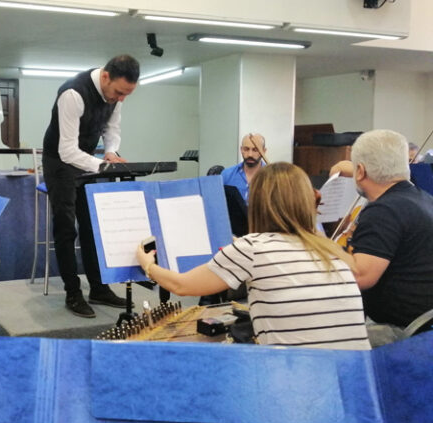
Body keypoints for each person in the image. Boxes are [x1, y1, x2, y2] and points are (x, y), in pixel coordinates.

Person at [136, 162, 370, 350]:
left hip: (299, 380)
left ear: (259, 202)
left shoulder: (252, 249)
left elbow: (182, 285)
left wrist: (148, 265)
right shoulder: (330, 249)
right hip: (354, 381)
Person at [42, 55, 139, 318]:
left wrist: (110, 152)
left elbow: (112, 128)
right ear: (105, 76)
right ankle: (73, 293)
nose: (121, 99)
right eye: (119, 92)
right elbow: (67, 150)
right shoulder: (73, 94)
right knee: (66, 227)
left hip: (87, 159)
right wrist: (100, 165)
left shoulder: (115, 96)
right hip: (59, 161)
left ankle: (99, 288)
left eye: (127, 94)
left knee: (92, 225)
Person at [342, 129, 433, 336]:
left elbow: (359, 277)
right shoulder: (423, 199)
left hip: (402, 334)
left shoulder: (385, 210)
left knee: (326, 346)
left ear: (360, 171)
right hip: (424, 329)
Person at [221, 133, 267, 205]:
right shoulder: (226, 175)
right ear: (241, 149)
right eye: (246, 149)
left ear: (264, 151)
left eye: (255, 150)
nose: (250, 154)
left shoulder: (272, 177)